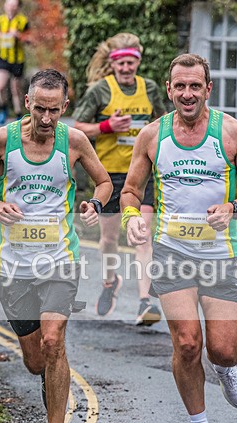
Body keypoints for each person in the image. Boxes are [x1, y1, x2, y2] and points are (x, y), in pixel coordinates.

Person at [120, 54, 237, 423]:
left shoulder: (232, 133)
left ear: (208, 89)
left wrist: (233, 208)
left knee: (222, 349)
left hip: (220, 254)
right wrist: (131, 218)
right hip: (172, 253)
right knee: (186, 343)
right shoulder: (152, 136)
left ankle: (225, 368)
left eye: (195, 86)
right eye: (179, 86)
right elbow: (131, 191)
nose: (187, 94)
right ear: (169, 90)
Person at [0, 69, 113, 423]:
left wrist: (93, 205)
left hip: (59, 259)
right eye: (39, 109)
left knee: (53, 340)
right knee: (34, 360)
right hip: (13, 265)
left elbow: (103, 183)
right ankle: (52, 380)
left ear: (65, 106)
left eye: (54, 110)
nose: (47, 119)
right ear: (27, 103)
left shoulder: (75, 141)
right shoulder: (3, 140)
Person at [73, 33, 167, 325]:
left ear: (138, 61)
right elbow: (77, 127)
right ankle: (109, 282)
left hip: (142, 175)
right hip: (109, 176)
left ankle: (145, 303)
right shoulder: (100, 91)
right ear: (113, 64)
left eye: (132, 62)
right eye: (122, 63)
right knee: (110, 238)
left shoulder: (149, 89)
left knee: (142, 236)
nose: (127, 68)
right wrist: (107, 125)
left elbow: (166, 123)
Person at [0, 0, 29, 125]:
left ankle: (18, 114)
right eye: (9, 4)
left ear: (18, 7)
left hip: (17, 60)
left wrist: (19, 36)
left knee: (16, 89)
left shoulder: (23, 21)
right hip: (2, 58)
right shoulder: (0, 20)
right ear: (5, 6)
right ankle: (3, 108)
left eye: (14, 5)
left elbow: (30, 39)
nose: (11, 7)